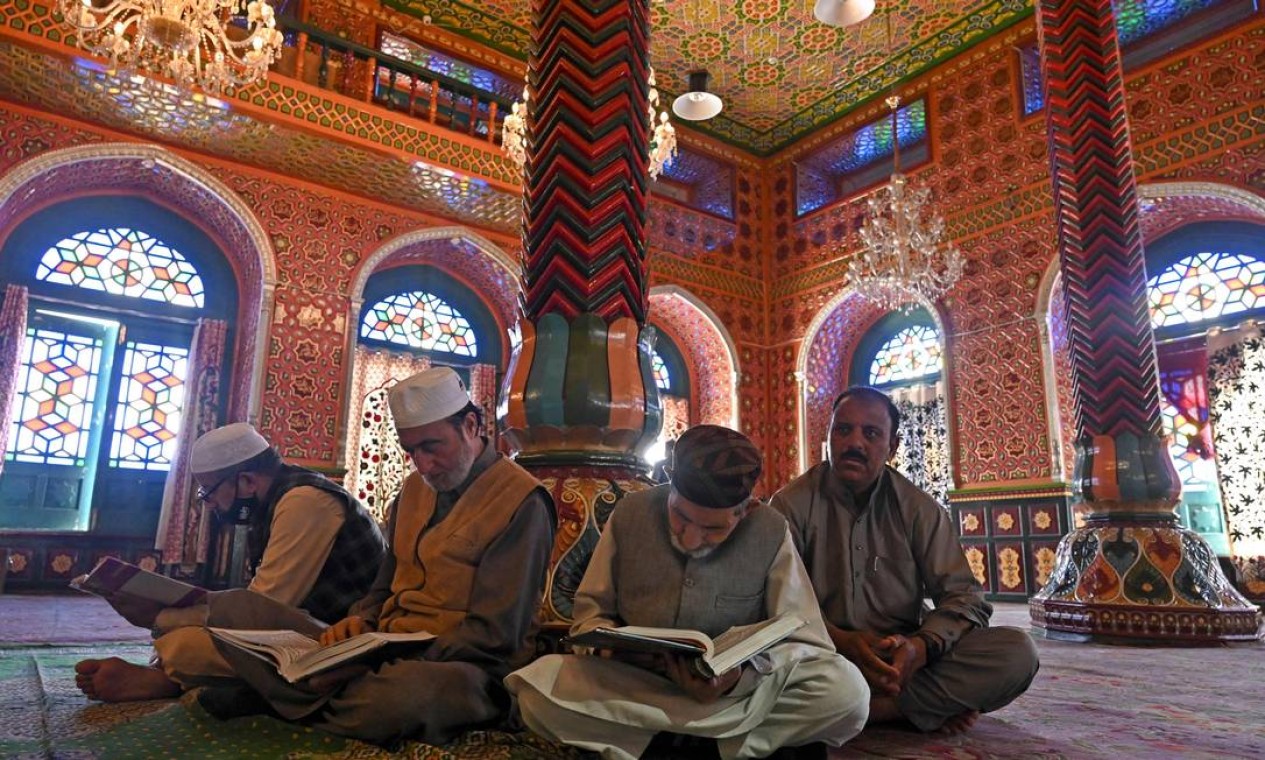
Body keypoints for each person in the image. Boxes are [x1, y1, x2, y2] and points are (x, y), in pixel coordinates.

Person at [203, 367, 556, 747]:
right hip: (380, 645)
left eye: (432, 446)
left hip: (465, 667)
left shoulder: (523, 501)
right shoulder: (412, 492)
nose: (422, 464)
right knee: (234, 613)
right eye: (411, 451)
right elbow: (383, 586)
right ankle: (312, 693)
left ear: (470, 426)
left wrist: (378, 658)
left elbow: (495, 636)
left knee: (405, 697)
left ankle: (277, 697)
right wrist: (359, 622)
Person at [507, 424, 869, 760]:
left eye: (712, 529)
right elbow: (591, 613)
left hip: (734, 698)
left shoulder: (770, 531)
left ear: (744, 511)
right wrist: (609, 649)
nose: (691, 538)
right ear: (670, 486)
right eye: (680, 516)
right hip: (640, 685)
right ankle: (721, 747)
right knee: (538, 688)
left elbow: (805, 639)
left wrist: (739, 677)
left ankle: (665, 746)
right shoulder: (630, 515)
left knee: (846, 691)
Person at [771, 386, 1039, 736]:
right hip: (823, 654)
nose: (855, 443)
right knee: (761, 668)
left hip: (901, 662)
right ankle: (910, 707)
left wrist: (919, 648)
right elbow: (778, 607)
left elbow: (965, 598)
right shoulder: (790, 505)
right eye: (843, 430)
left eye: (871, 433)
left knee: (1016, 653)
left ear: (892, 447)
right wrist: (843, 642)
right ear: (828, 437)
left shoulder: (918, 509)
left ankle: (879, 708)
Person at [75, 422, 386, 703]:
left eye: (208, 494)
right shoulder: (274, 502)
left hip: (344, 637)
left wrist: (161, 616)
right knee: (182, 641)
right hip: (305, 627)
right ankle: (168, 676)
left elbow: (263, 606)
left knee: (184, 646)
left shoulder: (304, 501)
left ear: (247, 481)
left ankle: (166, 680)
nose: (210, 506)